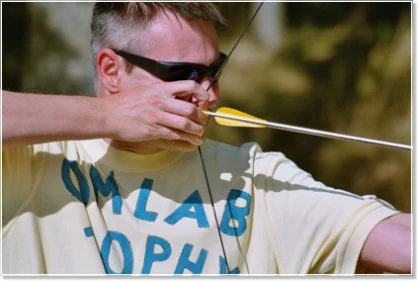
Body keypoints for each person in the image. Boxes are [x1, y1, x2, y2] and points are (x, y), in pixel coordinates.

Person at [2, 2, 411, 275]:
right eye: (183, 74)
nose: (209, 94)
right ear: (111, 70)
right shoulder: (28, 159)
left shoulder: (253, 177)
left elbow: (401, 242)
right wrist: (108, 116)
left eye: (214, 71)